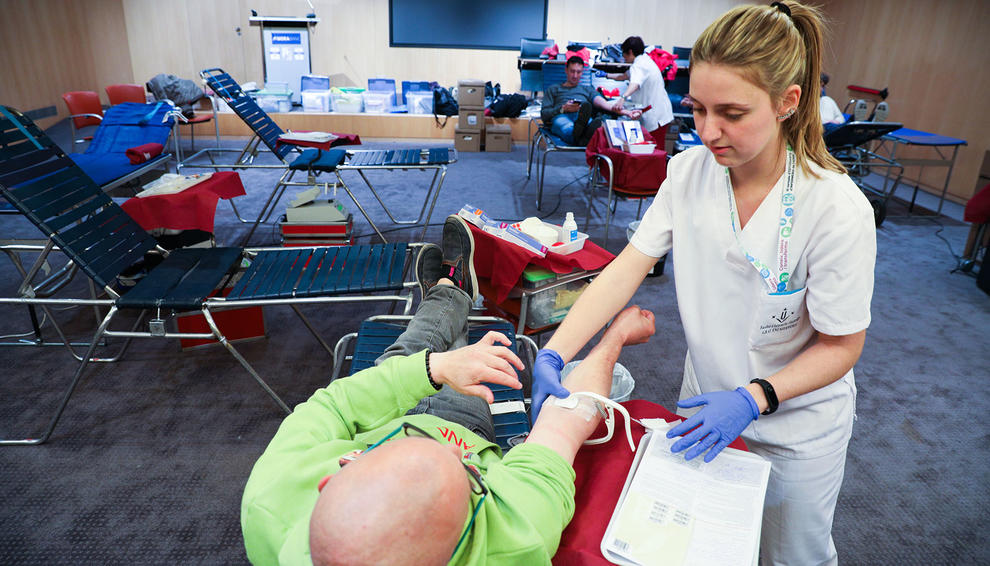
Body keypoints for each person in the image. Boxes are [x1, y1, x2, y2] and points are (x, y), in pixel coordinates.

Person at [530, 2, 876, 565]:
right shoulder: (689, 173)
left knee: (794, 555)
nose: (709, 132)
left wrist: (755, 397)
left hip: (795, 425)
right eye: (698, 109)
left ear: (788, 102)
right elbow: (625, 269)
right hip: (705, 406)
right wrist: (556, 351)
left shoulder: (836, 209)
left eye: (732, 114)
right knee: (701, 546)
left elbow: (843, 345)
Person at [241, 214, 657, 566]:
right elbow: (569, 417)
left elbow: (337, 403)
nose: (443, 446)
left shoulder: (270, 498)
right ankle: (450, 296)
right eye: (469, 473)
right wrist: (614, 337)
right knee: (460, 360)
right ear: (473, 523)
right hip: (462, 419)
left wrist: (433, 368)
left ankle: (447, 295)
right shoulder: (516, 535)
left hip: (376, 417)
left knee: (410, 351)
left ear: (337, 474)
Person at [541, 55, 641, 146]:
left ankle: (579, 136)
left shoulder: (587, 89)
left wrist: (627, 113)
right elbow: (544, 114)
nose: (575, 75)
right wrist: (562, 109)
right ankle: (582, 138)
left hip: (581, 116)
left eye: (578, 72)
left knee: (587, 122)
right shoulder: (553, 89)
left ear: (582, 72)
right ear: (566, 70)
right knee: (568, 127)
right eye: (572, 71)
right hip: (561, 115)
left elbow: (605, 104)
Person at [606, 36, 675, 144]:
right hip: (661, 112)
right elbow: (624, 76)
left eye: (623, 54)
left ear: (630, 52)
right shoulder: (645, 60)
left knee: (655, 151)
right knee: (655, 149)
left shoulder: (639, 65)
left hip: (656, 116)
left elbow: (635, 84)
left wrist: (622, 98)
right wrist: (605, 75)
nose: (623, 57)